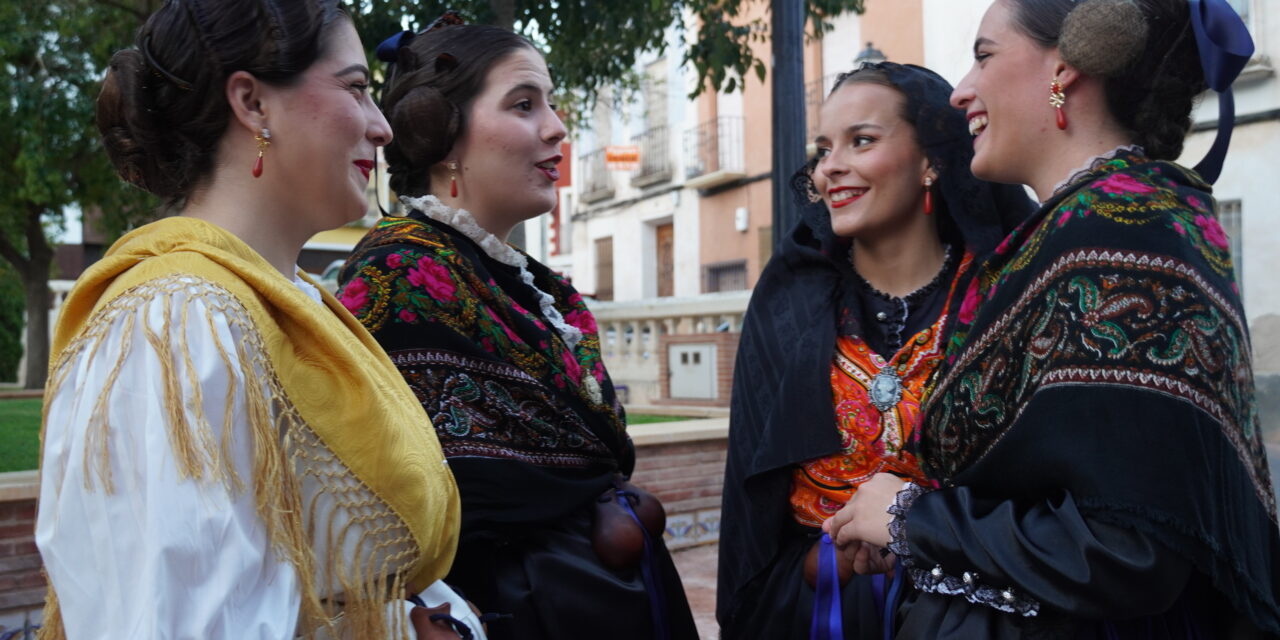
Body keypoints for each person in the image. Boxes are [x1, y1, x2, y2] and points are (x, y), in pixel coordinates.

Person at [827, 0, 1280, 637]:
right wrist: (918, 533)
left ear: (1065, 68)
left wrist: (911, 518)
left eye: (983, 56)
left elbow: (1129, 547)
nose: (960, 92)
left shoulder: (1128, 230)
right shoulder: (1081, 228)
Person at [34, 0, 466, 638]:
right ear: (253, 104)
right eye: (355, 89)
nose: (383, 128)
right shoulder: (175, 320)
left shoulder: (291, 304)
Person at [335, 18, 699, 640]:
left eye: (551, 104)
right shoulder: (401, 271)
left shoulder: (532, 283)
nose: (556, 126)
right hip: (510, 611)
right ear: (443, 136)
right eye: (524, 104)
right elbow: (390, 501)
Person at [716, 62, 1033, 639]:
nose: (830, 167)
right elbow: (752, 498)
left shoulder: (1003, 293)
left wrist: (920, 530)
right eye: (822, 149)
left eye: (861, 141)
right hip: (817, 608)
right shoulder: (788, 301)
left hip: (979, 612)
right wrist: (821, 559)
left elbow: (1041, 479)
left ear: (932, 160)